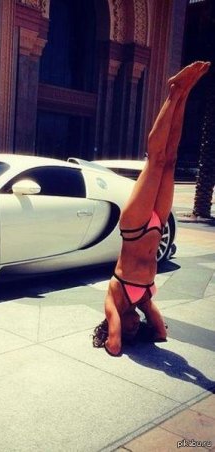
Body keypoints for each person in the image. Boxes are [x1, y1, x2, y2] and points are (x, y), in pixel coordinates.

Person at [92, 61, 211, 357]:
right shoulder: (143, 301)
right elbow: (160, 333)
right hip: (156, 225)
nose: (134, 326)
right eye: (136, 329)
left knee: (155, 160)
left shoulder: (114, 301)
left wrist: (114, 334)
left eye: (129, 328)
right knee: (170, 160)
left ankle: (173, 92)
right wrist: (145, 323)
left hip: (135, 228)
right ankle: (184, 93)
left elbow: (115, 346)